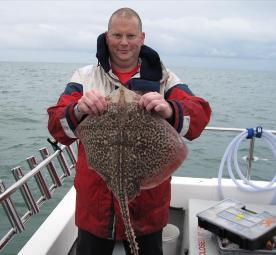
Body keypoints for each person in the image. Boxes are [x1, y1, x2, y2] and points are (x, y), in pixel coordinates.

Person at [47, 7, 211, 255]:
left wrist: (170, 109)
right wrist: (79, 109)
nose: (124, 42)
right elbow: (56, 125)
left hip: (147, 206)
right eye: (117, 35)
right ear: (107, 35)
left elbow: (198, 115)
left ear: (142, 38)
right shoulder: (85, 77)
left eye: (131, 36)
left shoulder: (165, 79)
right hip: (95, 206)